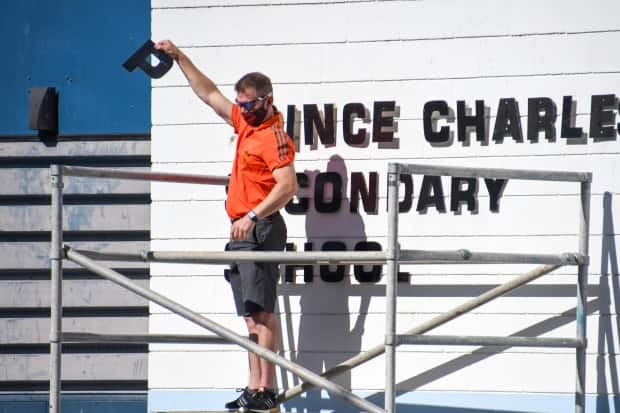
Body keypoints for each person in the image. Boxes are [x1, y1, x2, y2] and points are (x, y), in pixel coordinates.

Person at [155, 40, 297, 413]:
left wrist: (252, 217)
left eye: (250, 104)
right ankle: (254, 387)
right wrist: (180, 57)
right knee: (250, 311)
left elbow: (287, 186)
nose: (244, 111)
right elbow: (209, 94)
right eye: (242, 105)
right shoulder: (245, 124)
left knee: (262, 310)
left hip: (260, 228)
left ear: (267, 99)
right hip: (240, 229)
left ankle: (266, 389)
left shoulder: (275, 136)